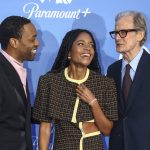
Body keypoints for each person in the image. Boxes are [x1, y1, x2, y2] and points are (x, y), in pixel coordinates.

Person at [33, 29, 118, 150]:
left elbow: (107, 130)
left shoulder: (105, 83)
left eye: (91, 45)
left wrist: (93, 102)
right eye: (81, 44)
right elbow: (45, 127)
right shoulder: (49, 82)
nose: (87, 48)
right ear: (68, 52)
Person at [108, 11, 150, 150]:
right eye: (116, 33)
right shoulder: (112, 70)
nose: (118, 38)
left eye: (123, 32)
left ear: (140, 35)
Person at [0, 16, 39, 150]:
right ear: (14, 42)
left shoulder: (17, 68)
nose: (37, 43)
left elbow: (19, 112)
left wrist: (53, 112)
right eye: (32, 39)